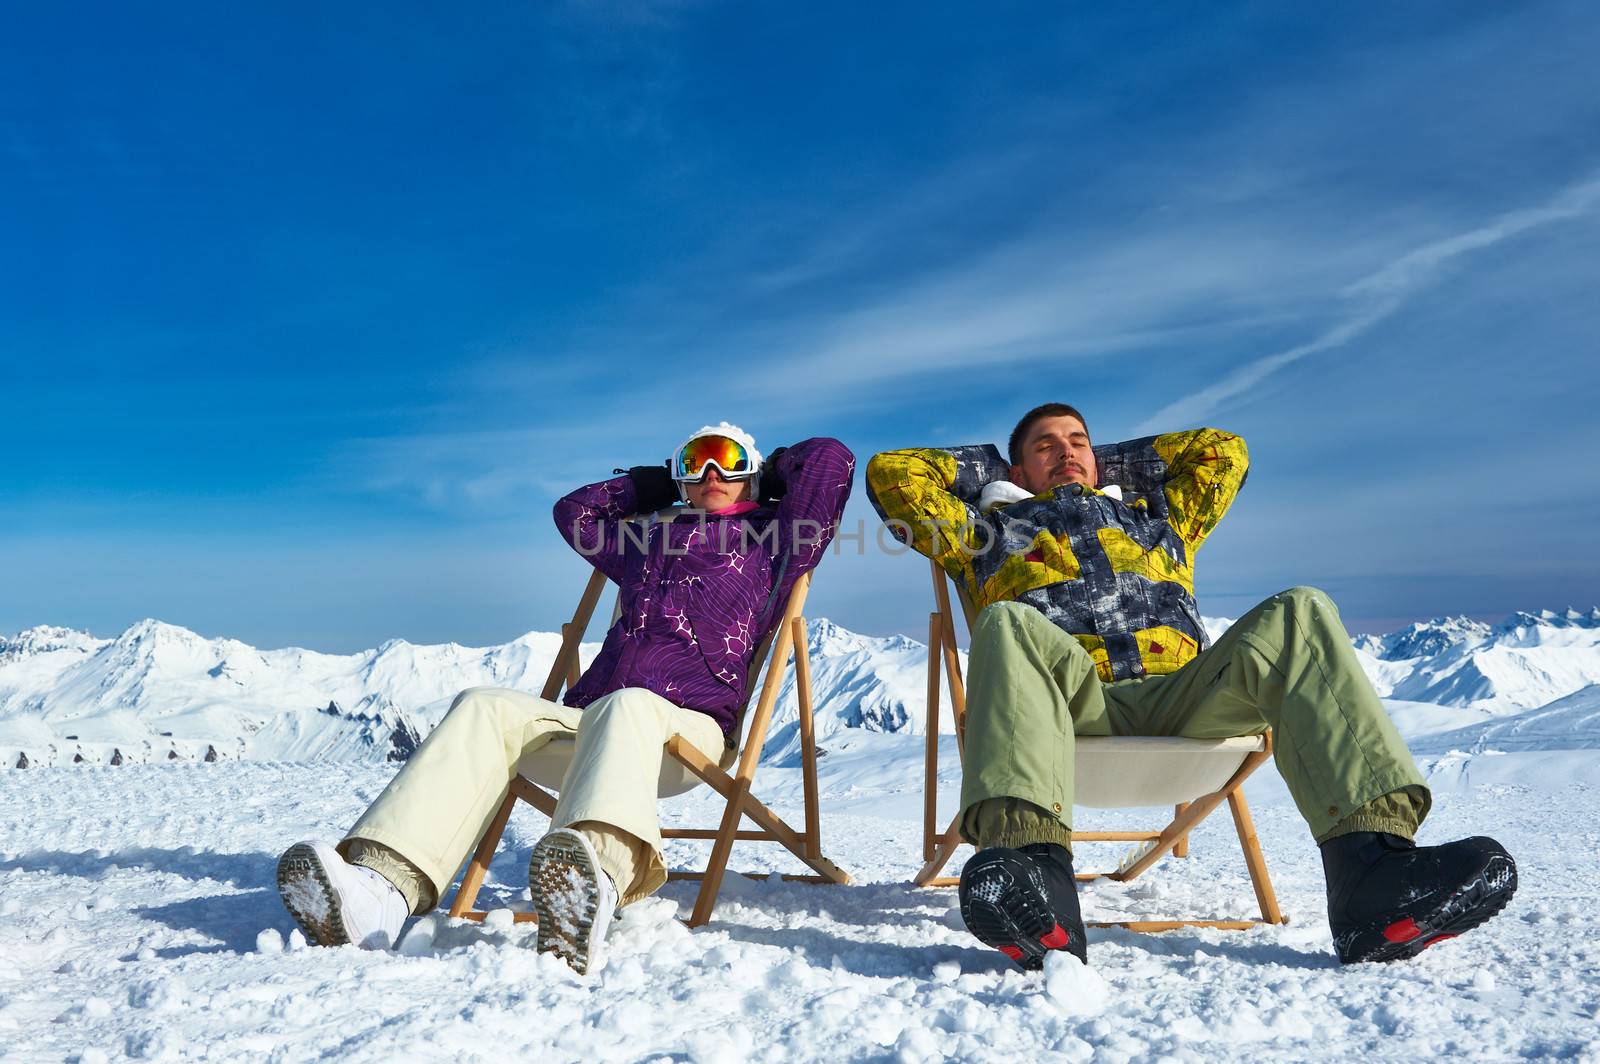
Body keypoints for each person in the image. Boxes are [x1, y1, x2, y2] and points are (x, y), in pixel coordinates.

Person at [866, 403, 1516, 968]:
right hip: (1065, 709)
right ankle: (1037, 883)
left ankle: (1373, 878)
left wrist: (1097, 470)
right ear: (1015, 470)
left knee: (1302, 610)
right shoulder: (982, 532)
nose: (1066, 451)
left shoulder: (1163, 517)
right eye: (1046, 446)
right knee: (1008, 621)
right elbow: (891, 472)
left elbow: (1222, 451)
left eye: (1078, 442)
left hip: (1182, 700)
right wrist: (1003, 478)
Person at [277, 424, 854, 973]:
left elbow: (831, 457)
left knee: (627, 703)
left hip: (685, 732)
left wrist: (773, 472)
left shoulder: (779, 542)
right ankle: (380, 891)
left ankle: (595, 883)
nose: (710, 472)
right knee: (485, 704)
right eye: (694, 462)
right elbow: (573, 513)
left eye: (728, 461)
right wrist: (651, 483)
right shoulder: (643, 542)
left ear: (752, 474)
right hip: (589, 722)